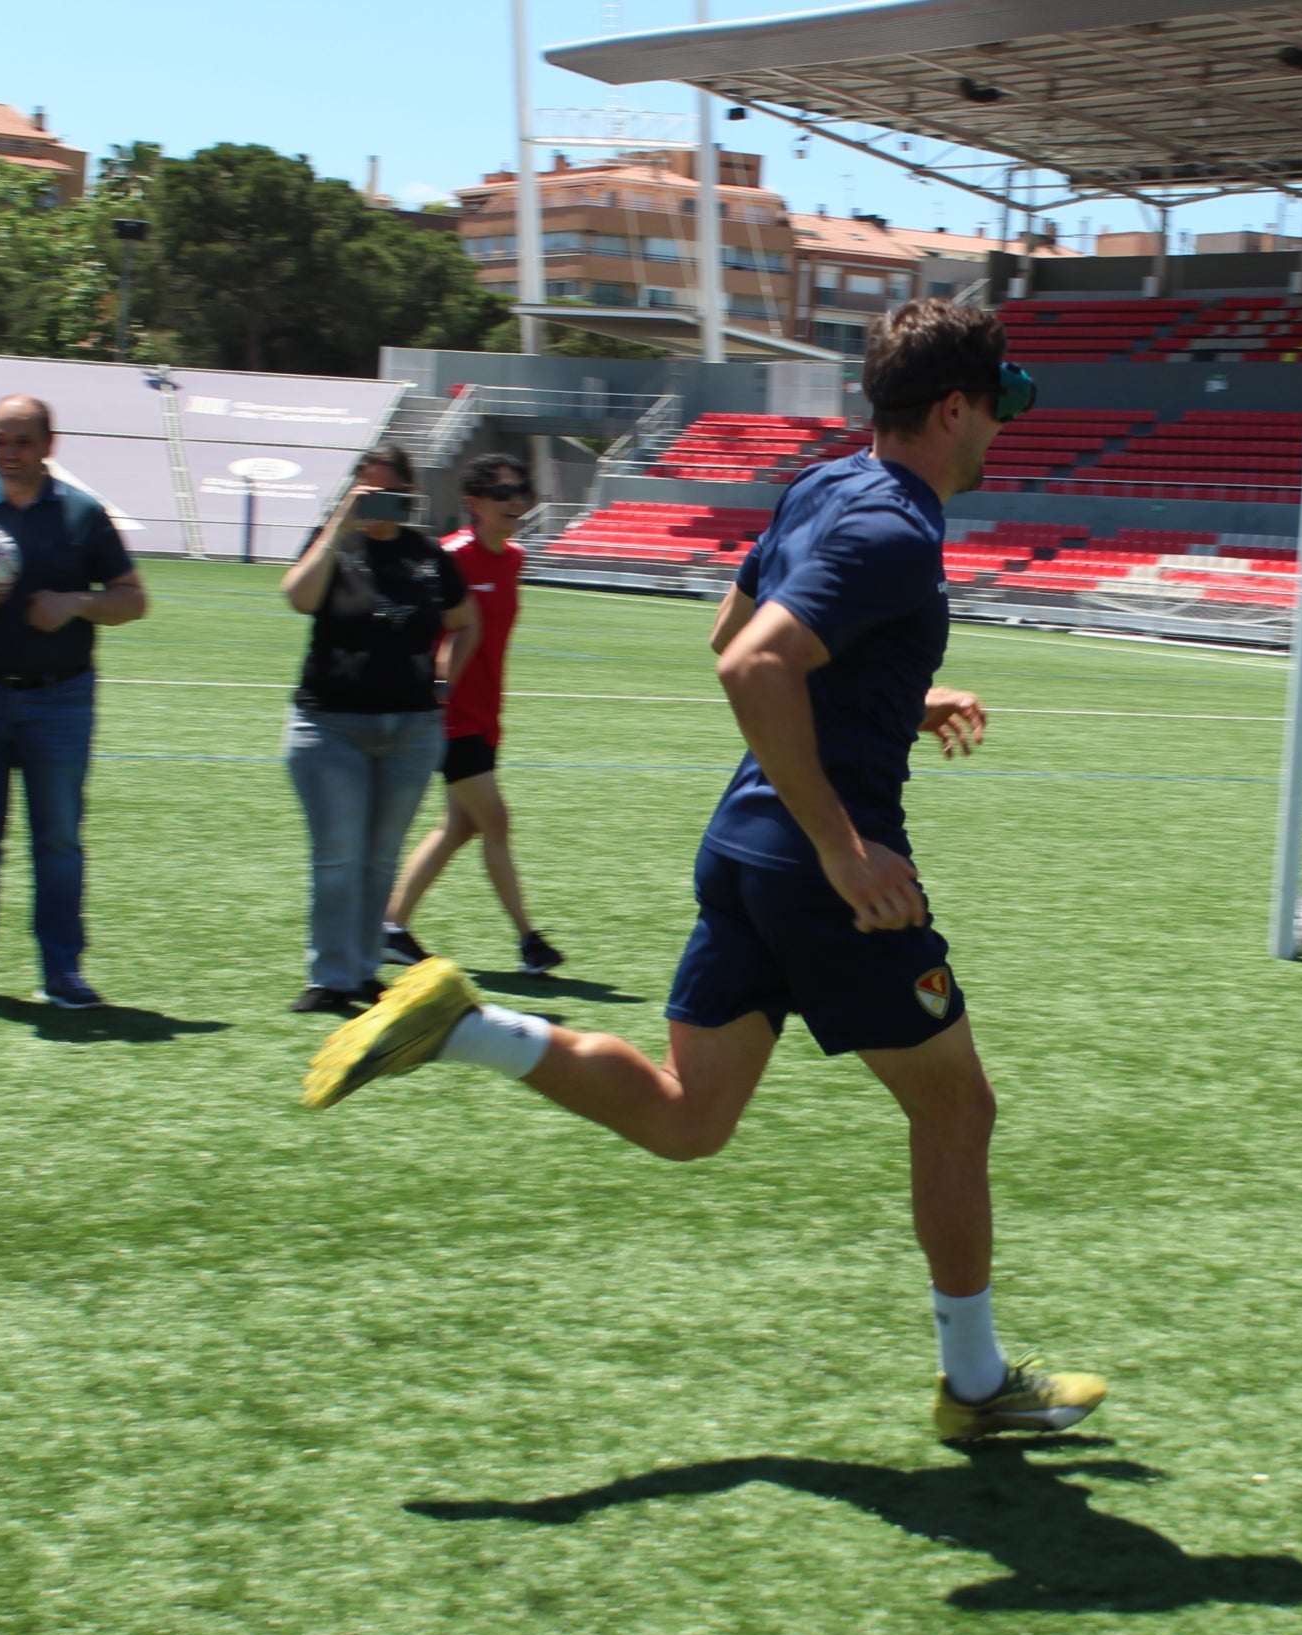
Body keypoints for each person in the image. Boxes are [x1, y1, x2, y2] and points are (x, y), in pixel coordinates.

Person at [302, 301, 1103, 1443]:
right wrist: (843, 847)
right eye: (1001, 404)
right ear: (953, 408)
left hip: (744, 849)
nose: (1003, 430)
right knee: (959, 1109)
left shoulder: (824, 485)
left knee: (689, 1119)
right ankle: (974, 1387)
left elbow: (730, 632)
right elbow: (753, 665)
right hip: (820, 876)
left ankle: (462, 1026)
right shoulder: (895, 527)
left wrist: (897, 699)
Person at [0, 396, 147, 1009]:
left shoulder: (82, 515)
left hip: (58, 698)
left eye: (22, 440)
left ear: (48, 444)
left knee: (58, 840)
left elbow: (132, 599)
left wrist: (75, 603)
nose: (9, 451)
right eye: (0, 439)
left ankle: (62, 971)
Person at [282, 444, 475, 1015]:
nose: (378, 502)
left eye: (390, 491)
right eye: (369, 491)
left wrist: (444, 677)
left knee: (381, 856)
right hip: (330, 725)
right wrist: (341, 524)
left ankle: (364, 970)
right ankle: (329, 975)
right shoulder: (335, 547)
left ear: (410, 494)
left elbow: (465, 622)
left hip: (410, 728)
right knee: (338, 855)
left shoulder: (429, 556)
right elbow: (298, 598)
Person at [382, 454, 564, 977]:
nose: (516, 501)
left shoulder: (514, 559)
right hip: (449, 711)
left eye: (522, 490)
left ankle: (390, 926)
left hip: (486, 711)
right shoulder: (450, 556)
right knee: (496, 821)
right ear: (475, 503)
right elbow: (411, 624)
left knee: (460, 826)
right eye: (503, 493)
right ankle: (528, 939)